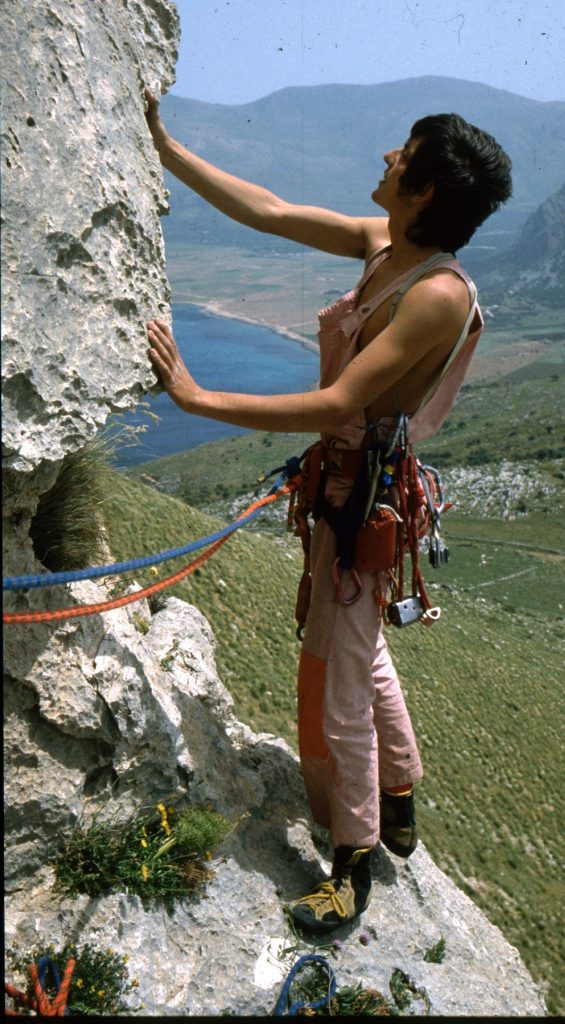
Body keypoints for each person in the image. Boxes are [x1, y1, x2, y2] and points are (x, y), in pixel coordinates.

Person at [144, 88, 512, 933]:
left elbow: (336, 400)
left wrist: (197, 399)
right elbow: (269, 211)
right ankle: (398, 787)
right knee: (362, 647)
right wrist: (164, 148)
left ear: (422, 189)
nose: (386, 157)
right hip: (347, 490)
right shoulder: (390, 247)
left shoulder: (436, 295)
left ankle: (352, 863)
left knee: (339, 674)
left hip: (361, 503)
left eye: (402, 154)